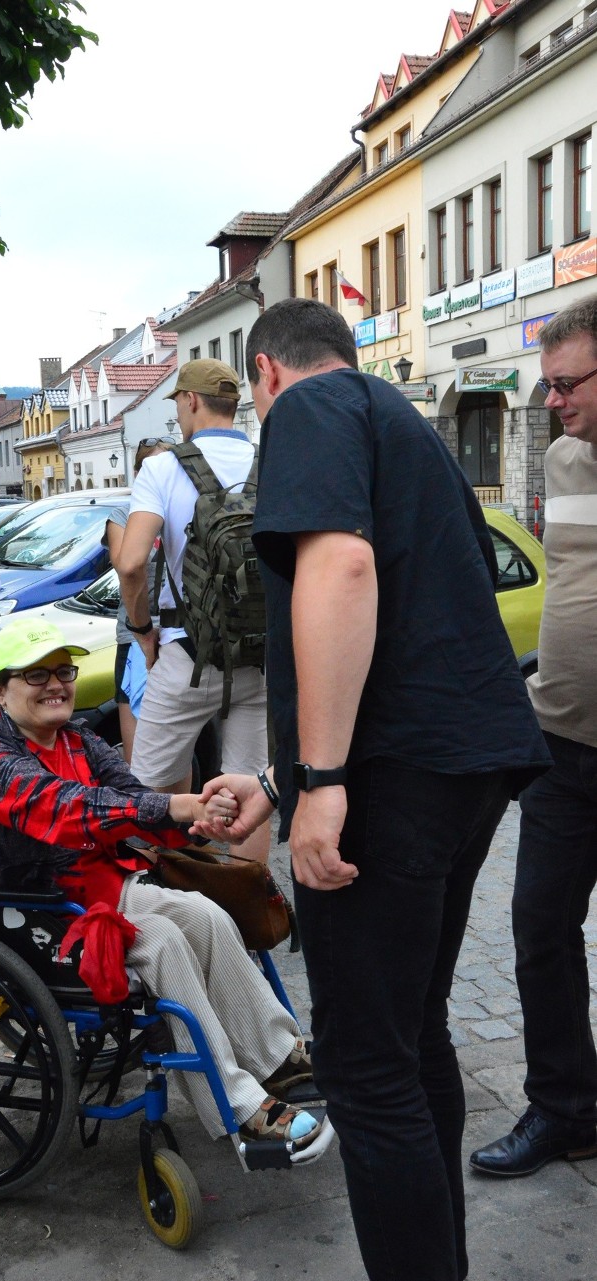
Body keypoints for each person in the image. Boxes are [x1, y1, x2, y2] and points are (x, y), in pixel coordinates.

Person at [196, 298, 551, 1281]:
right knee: (410, 1034)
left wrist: (328, 784)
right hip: (461, 765)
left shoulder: (310, 412)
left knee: (362, 1066)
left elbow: (344, 571)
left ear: (266, 375)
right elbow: (420, 618)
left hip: (392, 780)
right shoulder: (409, 432)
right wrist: (284, 775)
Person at [0, 616, 326, 1157]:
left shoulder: (77, 740)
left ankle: (277, 1057)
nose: (56, 685)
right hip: (34, 911)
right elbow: (66, 808)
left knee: (205, 913)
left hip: (102, 890)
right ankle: (238, 1106)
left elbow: (132, 798)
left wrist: (203, 814)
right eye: (35, 675)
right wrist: (173, 804)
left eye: (63, 671)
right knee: (164, 944)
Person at [470, 295, 597, 1179]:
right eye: (547, 386)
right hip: (561, 741)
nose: (553, 401)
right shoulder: (562, 459)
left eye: (566, 384)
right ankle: (565, 1107)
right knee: (539, 926)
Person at [117, 359, 269, 863]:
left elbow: (132, 562)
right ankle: (249, 924)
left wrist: (142, 630)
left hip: (188, 655)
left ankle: (159, 909)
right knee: (250, 797)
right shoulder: (270, 459)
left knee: (143, 794)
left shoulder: (162, 467)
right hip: (263, 657)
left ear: (190, 401)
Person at [102, 437, 172, 762]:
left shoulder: (186, 507)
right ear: (139, 473)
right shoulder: (123, 514)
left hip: (178, 634)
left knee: (175, 745)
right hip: (133, 635)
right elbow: (126, 566)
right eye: (150, 468)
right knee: (139, 753)